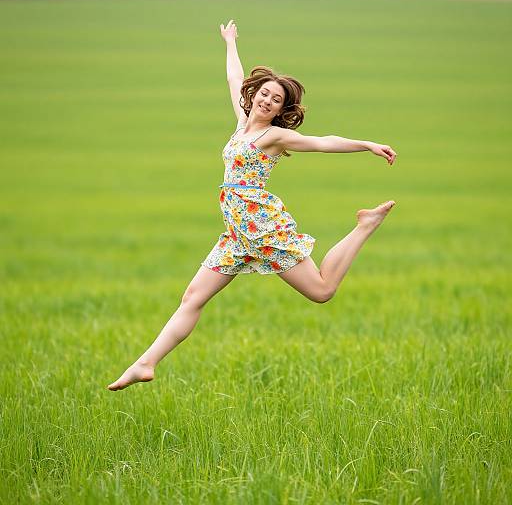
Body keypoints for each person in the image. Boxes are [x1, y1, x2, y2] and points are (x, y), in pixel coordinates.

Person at [107, 20, 397, 391]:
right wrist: (230, 42)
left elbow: (323, 141)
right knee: (192, 296)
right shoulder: (241, 123)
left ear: (280, 110)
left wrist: (367, 144)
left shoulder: (273, 136)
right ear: (255, 94)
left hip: (259, 226)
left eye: (276, 100)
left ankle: (365, 224)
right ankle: (145, 363)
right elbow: (234, 78)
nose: (267, 100)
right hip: (237, 234)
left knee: (322, 291)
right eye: (264, 93)